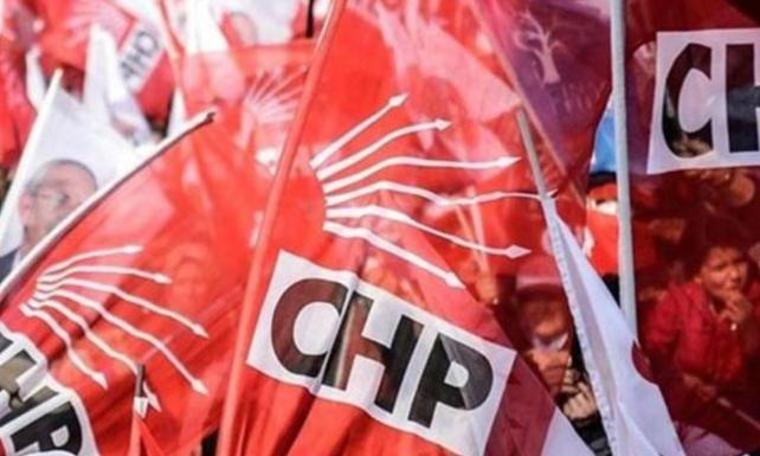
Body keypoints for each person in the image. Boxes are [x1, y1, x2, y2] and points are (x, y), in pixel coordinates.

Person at [642, 224, 760, 451]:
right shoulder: (677, 303)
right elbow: (651, 355)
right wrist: (679, 378)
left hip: (742, 424)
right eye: (720, 268)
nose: (735, 275)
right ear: (698, 274)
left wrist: (750, 328)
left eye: (739, 262)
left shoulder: (755, 298)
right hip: (685, 421)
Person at [508, 255, 610, 455]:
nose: (542, 308)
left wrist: (592, 423)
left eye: (551, 297)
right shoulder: (504, 360)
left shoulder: (601, 357)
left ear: (570, 304)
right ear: (518, 308)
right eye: (531, 299)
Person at [0, 159, 97, 280]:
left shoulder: (93, 285)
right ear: (27, 207)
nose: (75, 214)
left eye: (86, 207)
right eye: (62, 198)